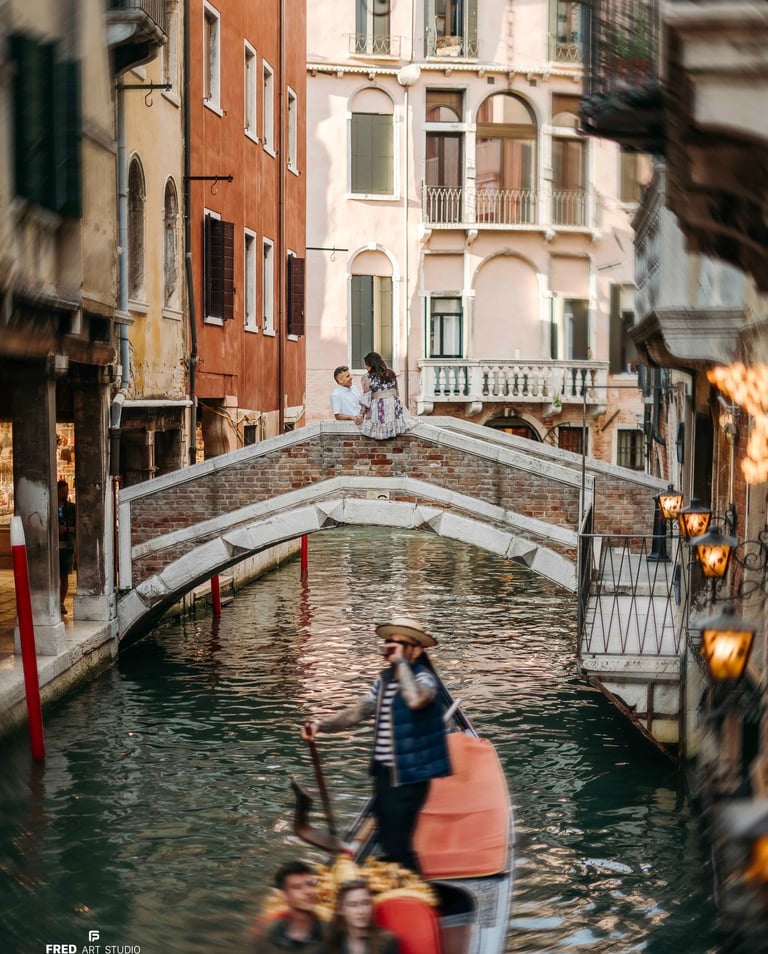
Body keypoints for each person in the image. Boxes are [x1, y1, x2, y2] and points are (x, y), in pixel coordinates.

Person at [301, 617, 451, 874]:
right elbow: (356, 714)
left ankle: (419, 893)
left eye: (400, 644)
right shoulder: (383, 681)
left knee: (398, 841)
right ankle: (393, 878)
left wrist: (401, 663)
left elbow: (414, 700)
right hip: (384, 771)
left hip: (410, 776)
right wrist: (320, 725)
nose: (392, 647)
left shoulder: (426, 679)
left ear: (416, 650)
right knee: (385, 833)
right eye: (389, 642)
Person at [252, 860, 326, 953]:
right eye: (297, 887)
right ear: (284, 895)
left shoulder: (332, 934)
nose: (308, 892)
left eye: (310, 884)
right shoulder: (266, 936)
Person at [323, 879, 399, 954]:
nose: (361, 911)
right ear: (341, 910)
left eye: (365, 903)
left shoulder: (386, 941)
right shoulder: (334, 942)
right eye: (353, 905)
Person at [358, 353, 409, 440]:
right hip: (394, 409)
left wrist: (361, 414)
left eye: (366, 364)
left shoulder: (366, 377)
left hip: (379, 411)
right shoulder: (391, 374)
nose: (365, 367)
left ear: (371, 364)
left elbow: (366, 399)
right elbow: (396, 393)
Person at [57, 479, 76, 615]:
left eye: (66, 491)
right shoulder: (51, 507)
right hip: (53, 547)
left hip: (66, 546)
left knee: (64, 577)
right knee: (52, 576)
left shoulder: (71, 508)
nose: (65, 494)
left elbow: (78, 527)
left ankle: (61, 602)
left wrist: (66, 529)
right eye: (63, 492)